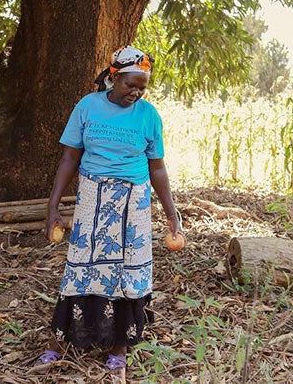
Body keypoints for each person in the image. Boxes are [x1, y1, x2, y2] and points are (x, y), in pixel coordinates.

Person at [37, 45, 185, 378]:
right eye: (129, 84)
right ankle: (59, 343)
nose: (135, 92)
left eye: (141, 87)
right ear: (112, 77)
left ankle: (119, 348)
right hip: (92, 197)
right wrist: (53, 205)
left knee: (127, 272)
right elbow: (69, 159)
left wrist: (172, 213)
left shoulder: (148, 115)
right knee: (81, 267)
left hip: (134, 202)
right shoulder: (87, 107)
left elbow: (157, 169)